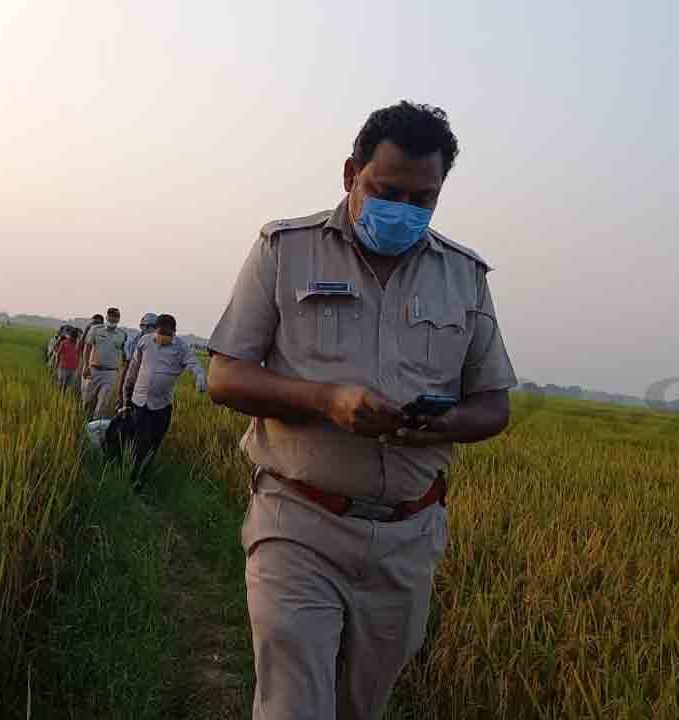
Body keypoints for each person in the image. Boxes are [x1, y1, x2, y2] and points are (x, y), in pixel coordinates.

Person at [207, 101, 516, 719]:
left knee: (362, 707)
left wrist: (441, 423)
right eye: (386, 190)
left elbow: (493, 404)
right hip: (298, 520)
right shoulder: (284, 249)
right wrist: (326, 400)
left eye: (422, 199)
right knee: (295, 706)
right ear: (351, 174)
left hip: (409, 536)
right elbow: (224, 376)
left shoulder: (464, 276)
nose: (403, 210)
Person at [121, 314, 206, 484]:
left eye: (168, 334)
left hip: (161, 405)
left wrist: (200, 377)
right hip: (140, 401)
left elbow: (194, 364)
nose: (163, 337)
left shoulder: (181, 348)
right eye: (161, 333)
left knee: (154, 442)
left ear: (174, 333)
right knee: (141, 441)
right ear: (156, 330)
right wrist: (126, 389)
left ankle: (142, 472)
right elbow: (134, 366)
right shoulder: (145, 341)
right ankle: (133, 480)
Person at [80, 307, 127, 420]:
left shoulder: (122, 335)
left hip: (110, 373)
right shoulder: (96, 330)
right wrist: (86, 366)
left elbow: (124, 355)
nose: (113, 318)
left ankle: (94, 427)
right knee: (87, 400)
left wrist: (122, 373)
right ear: (107, 316)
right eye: (111, 316)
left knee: (103, 403)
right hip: (93, 370)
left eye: (115, 317)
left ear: (118, 319)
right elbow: (87, 347)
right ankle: (84, 421)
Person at [78, 314, 105, 398]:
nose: (95, 325)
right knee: (85, 387)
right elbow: (80, 346)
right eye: (94, 322)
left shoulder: (103, 334)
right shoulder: (89, 331)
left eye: (97, 323)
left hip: (98, 366)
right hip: (86, 363)